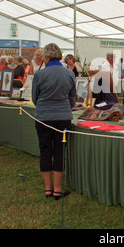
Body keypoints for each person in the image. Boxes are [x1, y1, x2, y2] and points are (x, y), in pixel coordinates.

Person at [32, 43, 76, 200]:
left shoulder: (39, 75)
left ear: (47, 57)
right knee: (59, 152)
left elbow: (34, 98)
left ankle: (48, 188)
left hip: (43, 116)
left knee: (44, 150)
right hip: (63, 117)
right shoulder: (69, 74)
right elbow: (72, 99)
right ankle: (58, 189)